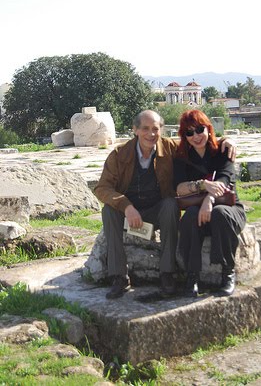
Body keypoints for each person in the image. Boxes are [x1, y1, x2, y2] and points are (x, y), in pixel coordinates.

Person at [94, 109, 237, 299]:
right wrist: (126, 206)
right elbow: (102, 188)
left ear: (161, 130)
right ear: (135, 130)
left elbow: (197, 140)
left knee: (170, 205)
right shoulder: (120, 155)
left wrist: (226, 140)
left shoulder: (170, 148)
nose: (151, 134)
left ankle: (167, 273)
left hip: (157, 210)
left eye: (155, 129)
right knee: (109, 211)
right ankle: (119, 276)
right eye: (145, 128)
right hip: (129, 212)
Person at [173, 109, 246, 298]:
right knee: (189, 217)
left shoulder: (222, 151)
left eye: (199, 130)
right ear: (184, 136)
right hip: (199, 214)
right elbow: (179, 188)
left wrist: (209, 199)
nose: (196, 136)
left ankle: (227, 273)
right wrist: (202, 185)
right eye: (189, 132)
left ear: (208, 129)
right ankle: (192, 276)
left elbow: (224, 180)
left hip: (229, 210)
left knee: (220, 213)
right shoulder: (182, 158)